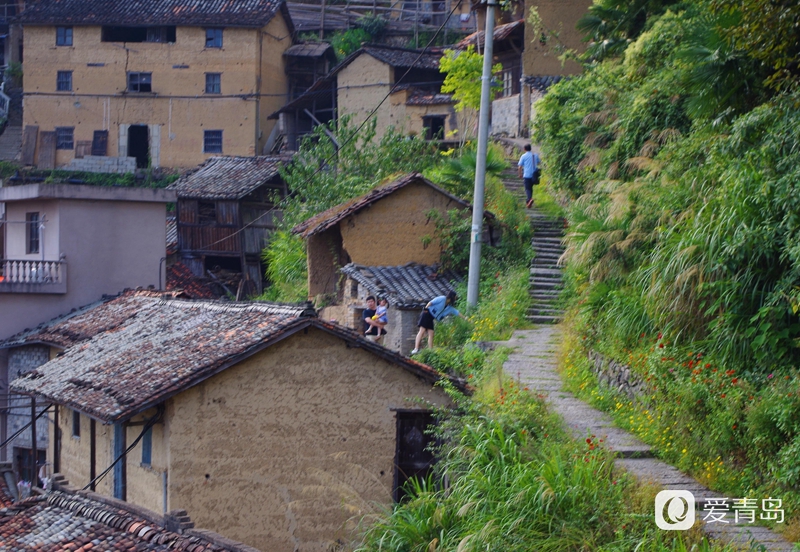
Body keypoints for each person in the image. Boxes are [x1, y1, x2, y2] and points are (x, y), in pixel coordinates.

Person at [411, 290, 465, 354]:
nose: (455, 299)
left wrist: (465, 318)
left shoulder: (449, 307)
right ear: (452, 297)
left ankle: (430, 351)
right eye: (455, 297)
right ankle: (416, 349)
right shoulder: (442, 298)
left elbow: (457, 312)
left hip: (431, 317)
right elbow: (431, 302)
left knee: (431, 333)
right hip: (427, 313)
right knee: (422, 330)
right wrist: (426, 308)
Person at [518, 144, 540, 209]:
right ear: (530, 148)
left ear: (524, 149)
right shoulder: (535, 155)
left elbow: (520, 166)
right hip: (534, 175)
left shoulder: (523, 156)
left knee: (527, 189)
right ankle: (529, 202)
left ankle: (529, 199)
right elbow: (539, 162)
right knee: (530, 188)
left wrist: (520, 174)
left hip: (527, 175)